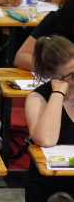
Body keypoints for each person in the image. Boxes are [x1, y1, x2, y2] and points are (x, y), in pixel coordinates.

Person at [24, 35, 74, 201]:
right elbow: (46, 139)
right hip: (52, 185)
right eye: (71, 75)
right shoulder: (37, 98)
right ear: (53, 76)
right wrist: (58, 93)